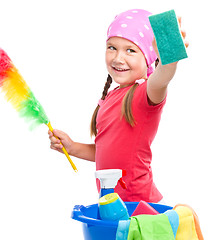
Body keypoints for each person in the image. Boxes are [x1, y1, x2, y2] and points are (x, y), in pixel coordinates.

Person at [48, 9, 188, 203]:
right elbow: (108, 152)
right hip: (114, 203)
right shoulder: (111, 96)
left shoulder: (144, 94)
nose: (118, 58)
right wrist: (72, 147)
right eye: (112, 47)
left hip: (139, 206)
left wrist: (168, 58)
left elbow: (162, 77)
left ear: (148, 57)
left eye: (130, 50)